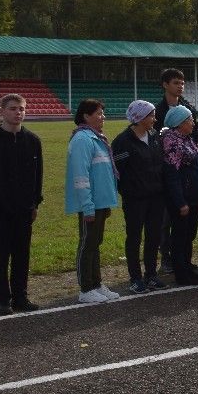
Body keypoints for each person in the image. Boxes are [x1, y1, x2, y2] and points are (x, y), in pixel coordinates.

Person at [0, 93, 43, 315]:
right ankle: (2, 299)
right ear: (2, 112)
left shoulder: (33, 141)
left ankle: (21, 296)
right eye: (13, 109)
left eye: (21, 109)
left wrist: (35, 204)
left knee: (22, 255)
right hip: (0, 210)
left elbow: (37, 176)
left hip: (24, 209)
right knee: (0, 256)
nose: (18, 113)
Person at [65, 98, 119, 303]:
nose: (103, 117)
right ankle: (86, 288)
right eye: (98, 113)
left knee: (95, 243)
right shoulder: (82, 140)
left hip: (100, 202)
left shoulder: (96, 137)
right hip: (91, 203)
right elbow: (81, 175)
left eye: (103, 113)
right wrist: (87, 205)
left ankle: (96, 284)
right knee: (87, 243)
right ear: (86, 116)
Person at [112, 100, 168, 295]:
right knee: (134, 238)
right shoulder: (122, 141)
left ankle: (151, 274)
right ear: (140, 118)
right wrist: (130, 192)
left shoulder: (154, 136)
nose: (154, 119)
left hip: (156, 197)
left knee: (153, 237)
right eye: (151, 115)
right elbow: (119, 172)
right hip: (135, 199)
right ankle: (135, 278)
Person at [162, 105, 198, 286]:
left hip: (192, 197)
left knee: (188, 235)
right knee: (180, 236)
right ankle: (181, 274)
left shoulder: (186, 139)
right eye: (190, 120)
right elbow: (172, 175)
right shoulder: (172, 142)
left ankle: (188, 268)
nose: (193, 123)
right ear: (180, 122)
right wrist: (180, 201)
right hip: (182, 199)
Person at [154, 68, 198, 142]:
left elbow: (195, 133)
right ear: (165, 85)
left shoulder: (189, 109)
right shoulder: (157, 111)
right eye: (176, 83)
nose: (180, 86)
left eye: (182, 83)